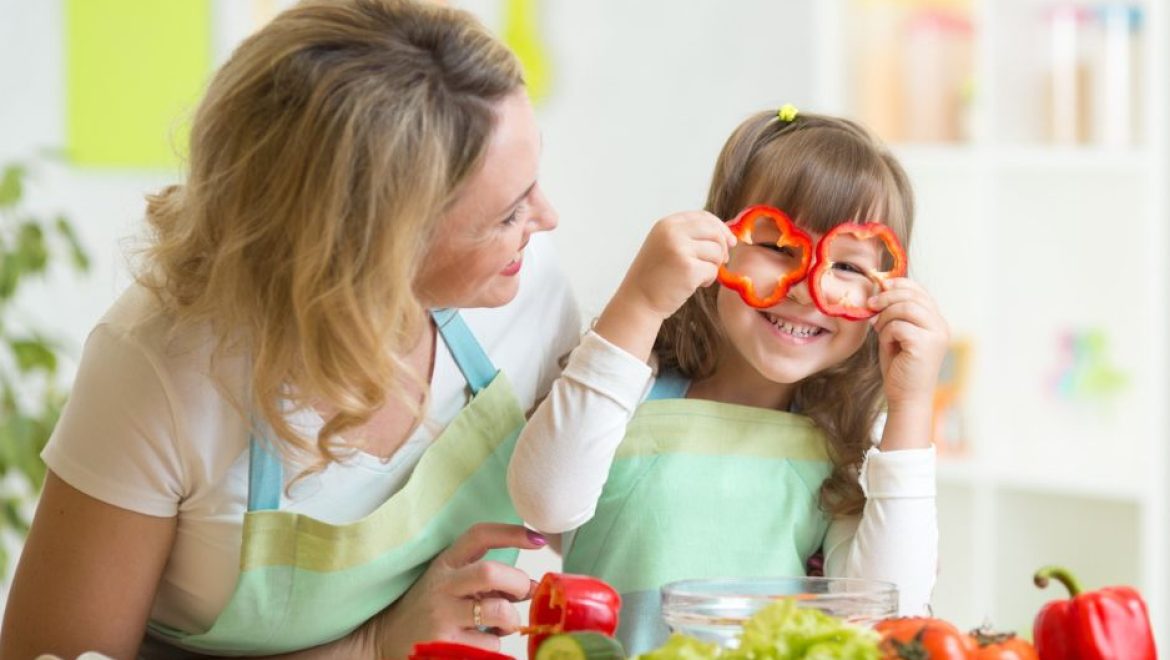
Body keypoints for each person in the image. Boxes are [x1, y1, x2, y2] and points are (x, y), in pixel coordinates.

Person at [1, 1, 581, 658]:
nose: (547, 218)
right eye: (506, 214)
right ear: (371, 249)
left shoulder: (523, 281)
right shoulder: (162, 366)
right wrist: (369, 648)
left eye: (532, 182)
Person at [508, 108, 946, 652]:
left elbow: (892, 617)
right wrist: (640, 303)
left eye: (849, 267)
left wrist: (911, 408)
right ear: (719, 243)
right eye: (779, 248)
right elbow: (544, 504)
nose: (807, 289)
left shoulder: (844, 447)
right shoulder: (631, 387)